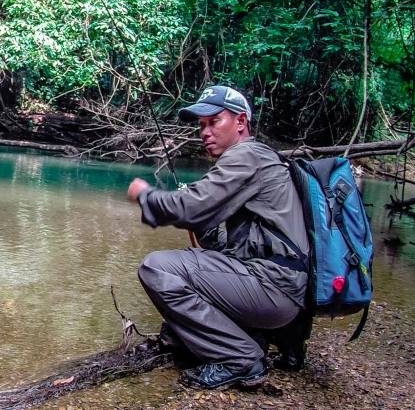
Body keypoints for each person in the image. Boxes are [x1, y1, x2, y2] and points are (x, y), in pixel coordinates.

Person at [126, 85, 310, 390]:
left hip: (274, 291)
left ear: (240, 122)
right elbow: (236, 245)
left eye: (214, 122)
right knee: (185, 292)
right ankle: (251, 339)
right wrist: (202, 227)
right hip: (285, 294)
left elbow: (193, 206)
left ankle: (241, 359)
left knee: (156, 268)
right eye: (201, 125)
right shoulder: (261, 158)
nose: (205, 132)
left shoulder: (247, 155)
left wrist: (148, 196)